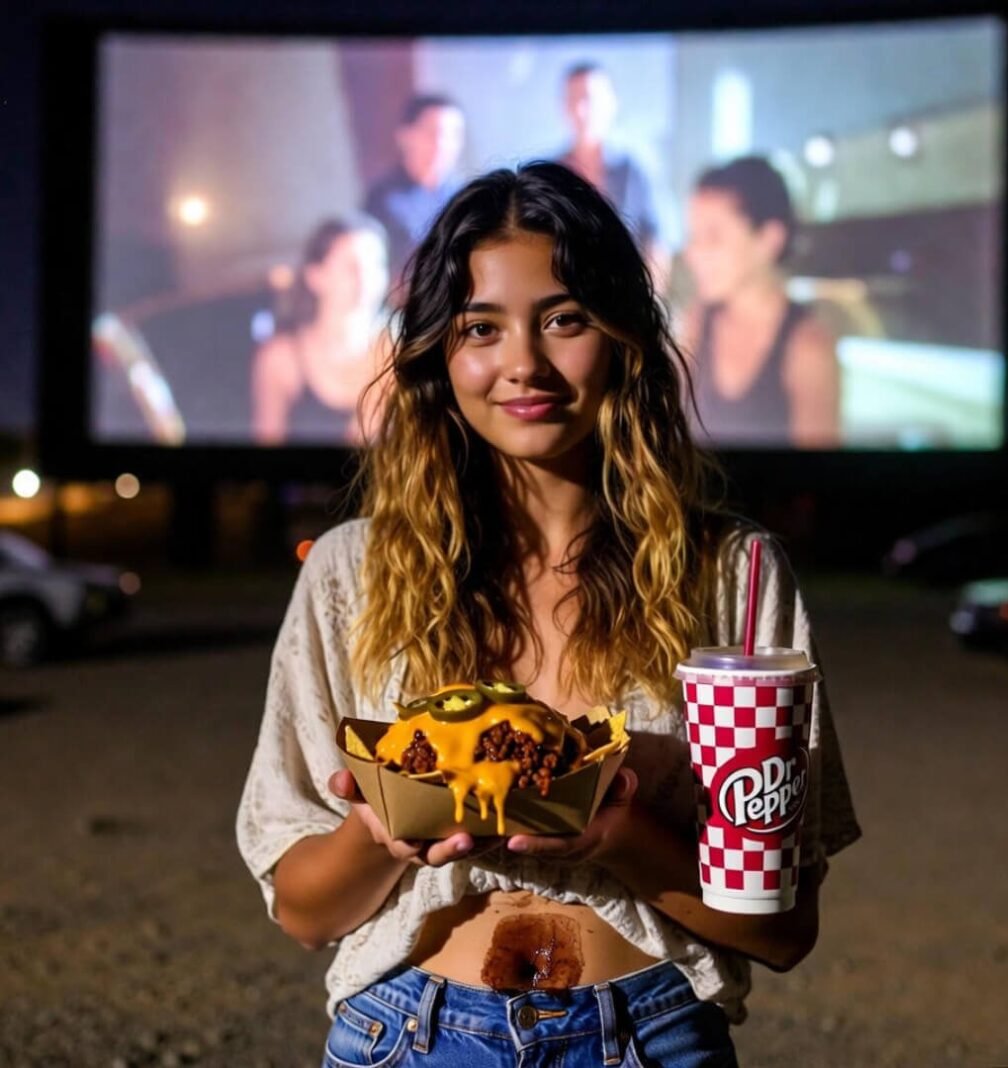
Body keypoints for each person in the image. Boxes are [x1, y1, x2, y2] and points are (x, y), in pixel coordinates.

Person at [237, 162, 860, 1066]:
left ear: (624, 337)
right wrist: (380, 829)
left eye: (563, 319)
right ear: (438, 357)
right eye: (480, 327)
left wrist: (616, 837)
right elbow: (304, 911)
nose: (522, 363)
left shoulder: (733, 573)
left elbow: (782, 930)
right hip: (404, 1040)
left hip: (650, 1036)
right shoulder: (355, 574)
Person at [682, 157, 841, 449]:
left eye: (713, 237)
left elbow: (820, 479)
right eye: (693, 236)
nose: (693, 253)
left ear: (769, 239)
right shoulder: (697, 324)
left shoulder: (808, 348)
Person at [251, 214, 391, 446]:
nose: (366, 279)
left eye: (376, 265)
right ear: (315, 276)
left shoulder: (401, 352)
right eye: (351, 267)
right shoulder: (280, 358)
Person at [554, 62, 670, 287]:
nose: (581, 110)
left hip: (624, 301)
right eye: (573, 99)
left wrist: (650, 302)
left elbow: (656, 240)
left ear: (611, 103)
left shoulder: (635, 171)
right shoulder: (549, 175)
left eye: (588, 98)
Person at [364, 93, 466, 293]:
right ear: (405, 136)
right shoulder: (382, 200)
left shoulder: (463, 196)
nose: (442, 144)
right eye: (432, 133)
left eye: (453, 135)